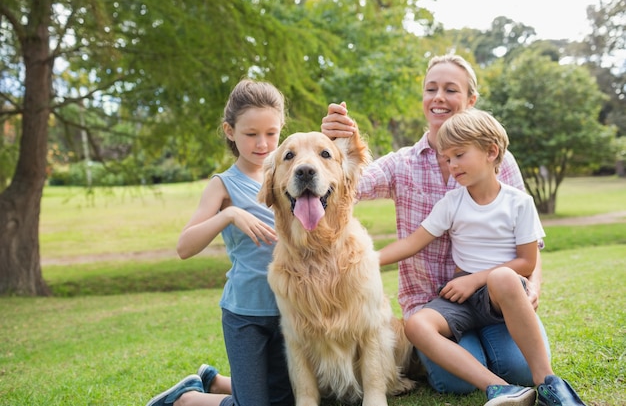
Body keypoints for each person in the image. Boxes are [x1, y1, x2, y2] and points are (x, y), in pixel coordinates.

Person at [320, 53, 550, 395]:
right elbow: (345, 185)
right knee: (455, 382)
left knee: (516, 367)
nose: (439, 97)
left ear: (470, 100)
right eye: (431, 89)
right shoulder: (402, 164)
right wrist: (334, 146)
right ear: (424, 99)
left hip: (496, 297)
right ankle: (476, 372)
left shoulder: (500, 161)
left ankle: (515, 372)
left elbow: (529, 241)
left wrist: (531, 285)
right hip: (435, 305)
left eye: (450, 89)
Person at [378, 108, 586, 405]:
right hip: (463, 295)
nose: (452, 165)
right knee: (416, 325)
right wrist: (367, 260)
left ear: (491, 151)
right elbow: (413, 242)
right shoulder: (452, 202)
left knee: (502, 278)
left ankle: (548, 382)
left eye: (459, 155)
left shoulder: (519, 203)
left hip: (503, 292)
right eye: (447, 158)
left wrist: (477, 279)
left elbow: (527, 262)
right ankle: (501, 388)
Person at [146, 79, 294, 406]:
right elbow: (184, 247)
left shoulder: (288, 176)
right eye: (251, 134)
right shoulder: (223, 185)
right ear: (230, 131)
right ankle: (187, 399)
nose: (263, 143)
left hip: (290, 311)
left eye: (271, 133)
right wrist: (228, 216)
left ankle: (215, 382)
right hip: (245, 314)